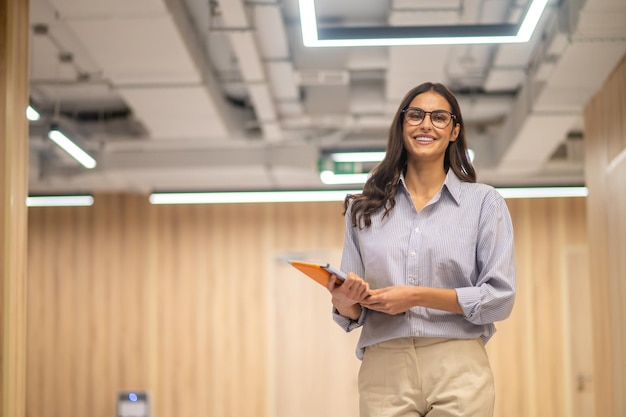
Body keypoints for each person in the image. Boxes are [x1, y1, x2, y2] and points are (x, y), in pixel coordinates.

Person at [326, 82, 516, 417]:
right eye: (415, 115)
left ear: (454, 130)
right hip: (385, 366)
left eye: (439, 117)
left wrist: (415, 296)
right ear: (402, 125)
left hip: (457, 363)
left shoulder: (484, 203)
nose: (426, 124)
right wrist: (344, 302)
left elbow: (499, 298)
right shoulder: (363, 209)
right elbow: (354, 308)